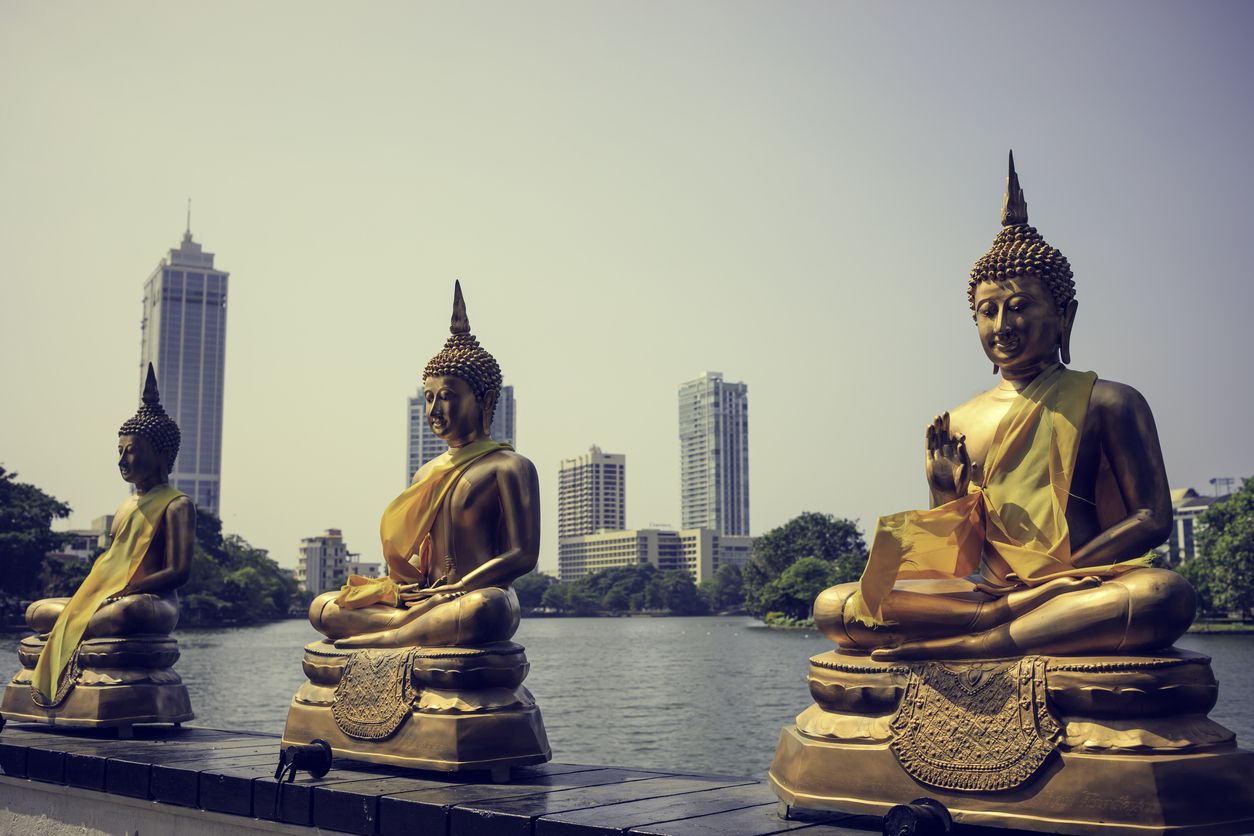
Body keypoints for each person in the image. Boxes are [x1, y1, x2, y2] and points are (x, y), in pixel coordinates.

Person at [814, 153, 1194, 661]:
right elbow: (957, 555)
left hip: (1077, 585)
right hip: (987, 594)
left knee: (1160, 596)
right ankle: (990, 624)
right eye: (987, 311)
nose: (1001, 327)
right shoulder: (960, 421)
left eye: (1019, 307)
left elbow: (1151, 518)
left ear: (1065, 316)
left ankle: (982, 642)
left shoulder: (1108, 400)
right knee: (838, 606)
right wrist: (943, 492)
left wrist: (1061, 578)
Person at [309, 281, 541, 649]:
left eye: (447, 397)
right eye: (429, 398)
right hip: (426, 598)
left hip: (473, 596)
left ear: (486, 400)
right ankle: (408, 625)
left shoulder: (510, 467)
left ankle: (394, 636)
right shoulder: (427, 472)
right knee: (324, 607)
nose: (434, 411)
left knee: (487, 608)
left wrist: (460, 588)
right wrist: (408, 588)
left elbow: (523, 554)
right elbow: (422, 549)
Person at [28, 364, 195, 704]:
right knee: (38, 611)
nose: (122, 459)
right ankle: (77, 627)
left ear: (161, 456)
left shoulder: (178, 505)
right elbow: (107, 567)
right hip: (108, 599)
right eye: (120, 450)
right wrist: (102, 595)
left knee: (126, 614)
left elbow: (179, 572)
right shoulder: (125, 507)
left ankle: (75, 629)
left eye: (132, 450)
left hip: (150, 601)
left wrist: (130, 588)